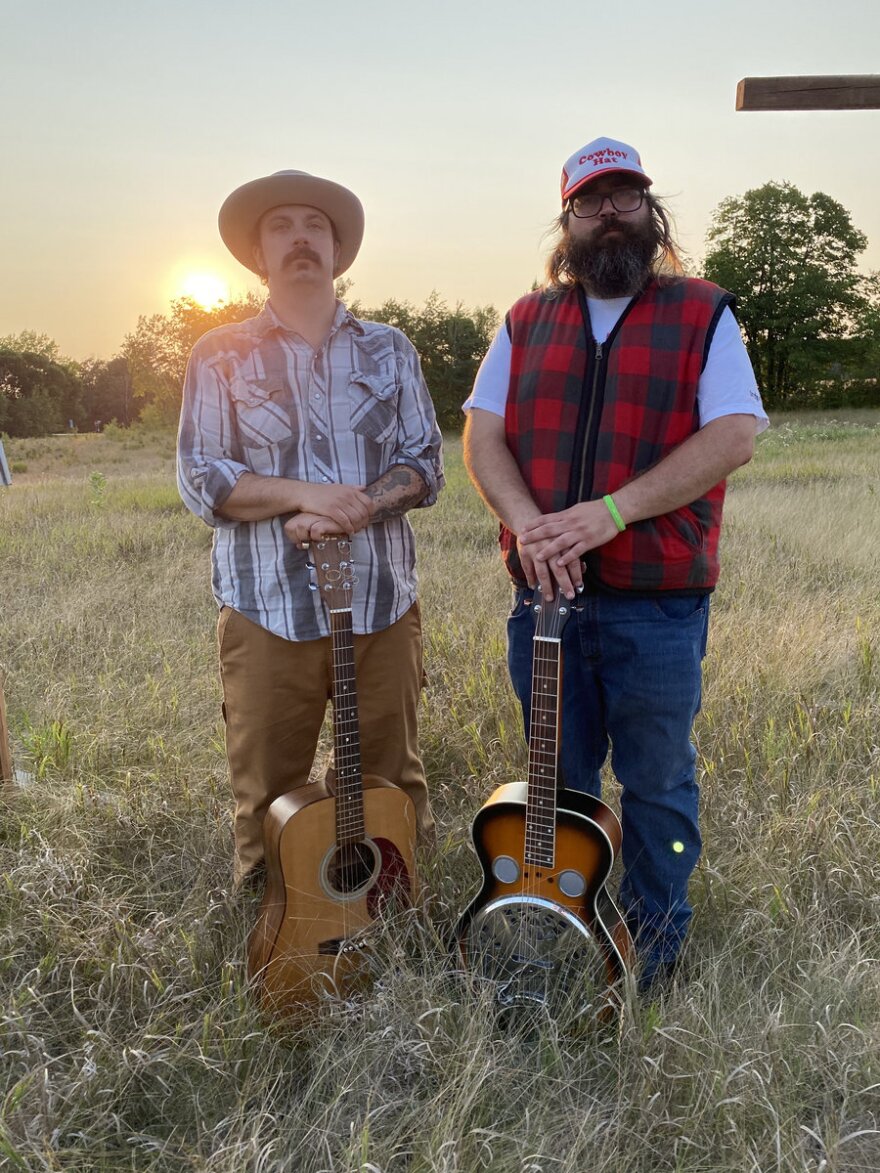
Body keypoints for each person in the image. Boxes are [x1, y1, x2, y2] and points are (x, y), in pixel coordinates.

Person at [463, 136, 768, 991]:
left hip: (657, 603)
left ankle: (654, 950)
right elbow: (483, 436)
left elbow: (734, 434)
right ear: (566, 219)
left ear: (650, 208)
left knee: (657, 780)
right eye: (592, 201)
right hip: (546, 605)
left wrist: (607, 515)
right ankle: (562, 928)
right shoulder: (525, 320)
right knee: (556, 782)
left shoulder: (702, 311)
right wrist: (528, 526)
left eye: (625, 195)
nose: (610, 213)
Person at [177, 170, 444, 889]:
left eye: (315, 226)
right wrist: (310, 494)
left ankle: (394, 929)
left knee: (392, 781)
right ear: (259, 253)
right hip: (268, 609)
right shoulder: (219, 353)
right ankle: (278, 940)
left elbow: (424, 463)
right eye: (281, 226)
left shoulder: (390, 349)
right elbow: (203, 476)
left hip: (383, 606)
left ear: (336, 248)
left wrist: (356, 504)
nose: (300, 237)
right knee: (267, 791)